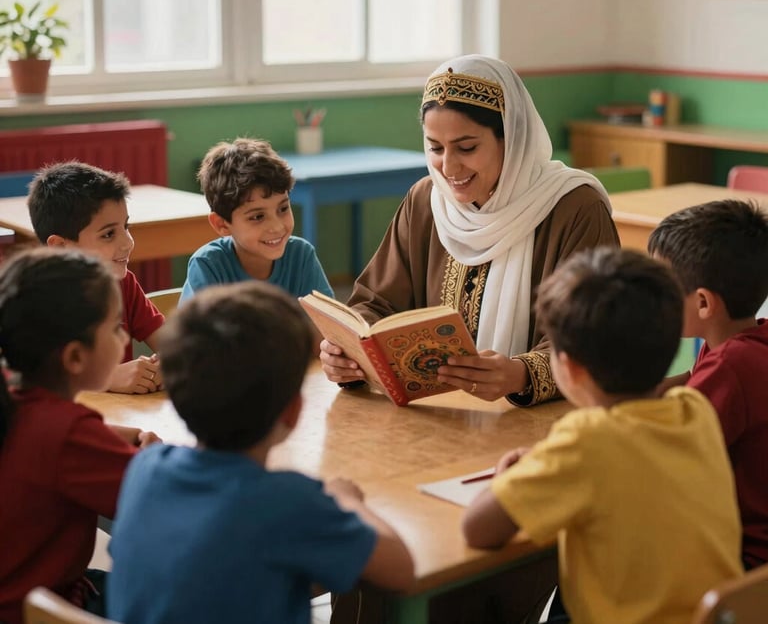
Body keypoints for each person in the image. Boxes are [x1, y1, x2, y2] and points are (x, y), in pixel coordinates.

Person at [462, 247, 743, 624]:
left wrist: (511, 478)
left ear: (569, 369)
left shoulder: (586, 440)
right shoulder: (694, 411)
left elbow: (477, 529)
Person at [107, 280, 414, 624]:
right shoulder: (289, 502)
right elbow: (401, 571)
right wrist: (349, 501)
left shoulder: (145, 468)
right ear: (294, 410)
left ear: (178, 400)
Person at [320, 54, 619, 405]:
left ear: (512, 137)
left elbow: (599, 338)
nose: (448, 167)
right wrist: (348, 354)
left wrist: (522, 374)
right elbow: (376, 303)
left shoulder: (573, 208)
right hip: (437, 416)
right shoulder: (427, 200)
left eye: (467, 147)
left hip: (538, 420)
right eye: (434, 148)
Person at [0, 248, 160, 624]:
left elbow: (46, 444)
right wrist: (152, 460)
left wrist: (115, 437)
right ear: (74, 358)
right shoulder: (69, 434)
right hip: (43, 609)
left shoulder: (13, 395)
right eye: (114, 327)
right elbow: (159, 501)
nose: (124, 336)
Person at [648, 199, 768, 571]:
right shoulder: (743, 345)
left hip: (740, 569)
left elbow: (660, 458)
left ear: (702, 303)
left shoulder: (729, 367)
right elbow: (691, 382)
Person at [27, 161, 164, 394]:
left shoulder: (123, 284)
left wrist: (168, 361)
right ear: (61, 247)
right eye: (109, 234)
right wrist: (107, 379)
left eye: (126, 226)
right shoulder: (33, 301)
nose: (128, 242)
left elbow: (172, 343)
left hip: (121, 417)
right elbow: (32, 382)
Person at [180, 137, 334, 303]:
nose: (276, 226)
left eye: (283, 209)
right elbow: (197, 329)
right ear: (222, 224)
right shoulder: (208, 265)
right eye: (257, 217)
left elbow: (327, 324)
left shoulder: (301, 256)